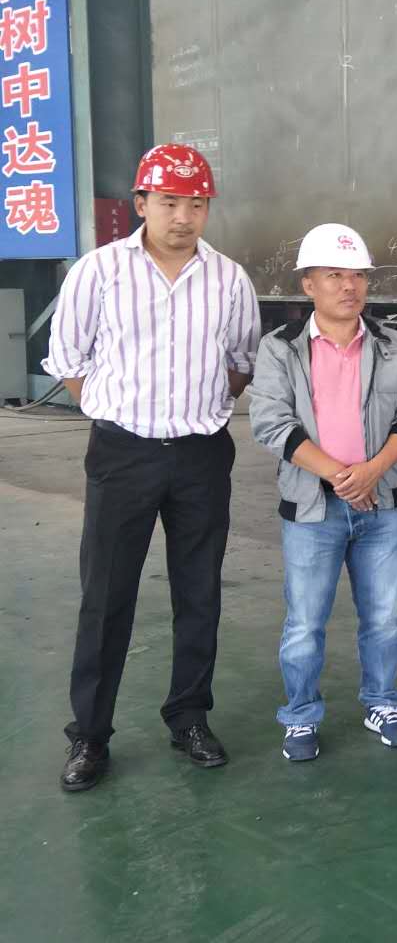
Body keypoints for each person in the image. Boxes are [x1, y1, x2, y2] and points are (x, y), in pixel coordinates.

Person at [43, 144, 260, 792]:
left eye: (196, 204)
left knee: (199, 592)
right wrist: (118, 414)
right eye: (169, 202)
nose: (183, 217)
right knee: (106, 595)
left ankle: (188, 717)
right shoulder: (99, 271)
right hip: (123, 454)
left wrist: (198, 409)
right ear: (141, 203)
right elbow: (70, 359)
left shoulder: (229, 279)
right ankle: (90, 734)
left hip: (200, 455)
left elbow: (241, 361)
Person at [249, 224, 397, 761]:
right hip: (312, 509)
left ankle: (382, 702)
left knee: (383, 617)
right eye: (334, 275)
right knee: (305, 622)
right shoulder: (280, 348)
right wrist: (340, 475)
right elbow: (270, 424)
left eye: (357, 275)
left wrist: (373, 471)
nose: (349, 286)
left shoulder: (392, 345)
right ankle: (301, 716)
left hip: (383, 504)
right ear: (308, 284)